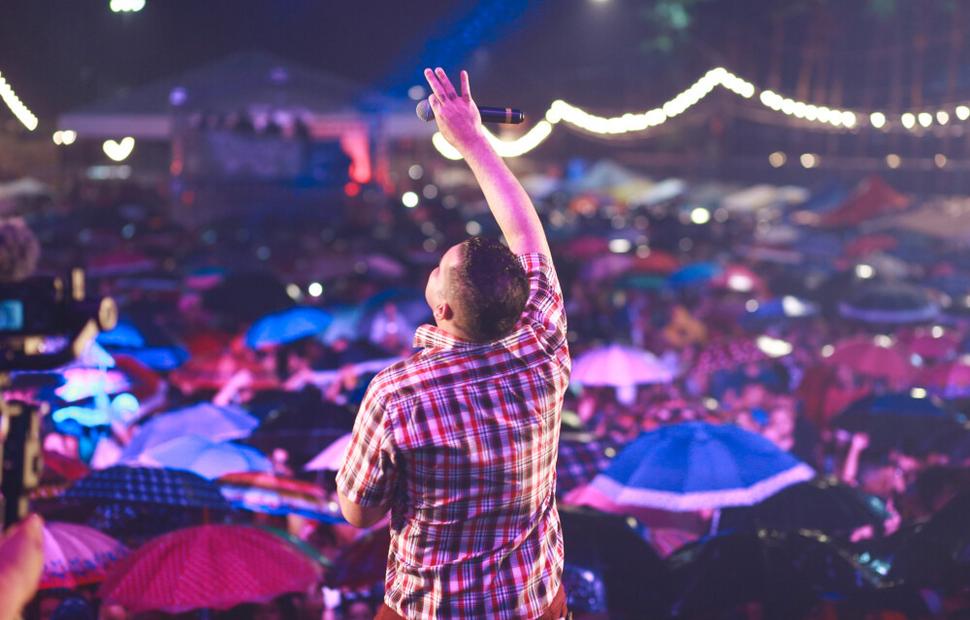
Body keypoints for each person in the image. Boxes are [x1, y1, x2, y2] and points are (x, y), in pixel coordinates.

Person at [336, 67, 570, 619]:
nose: (436, 267)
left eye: (441, 268)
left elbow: (358, 513)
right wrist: (472, 139)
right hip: (532, 602)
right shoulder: (542, 342)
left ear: (441, 308)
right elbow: (527, 231)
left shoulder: (397, 392)